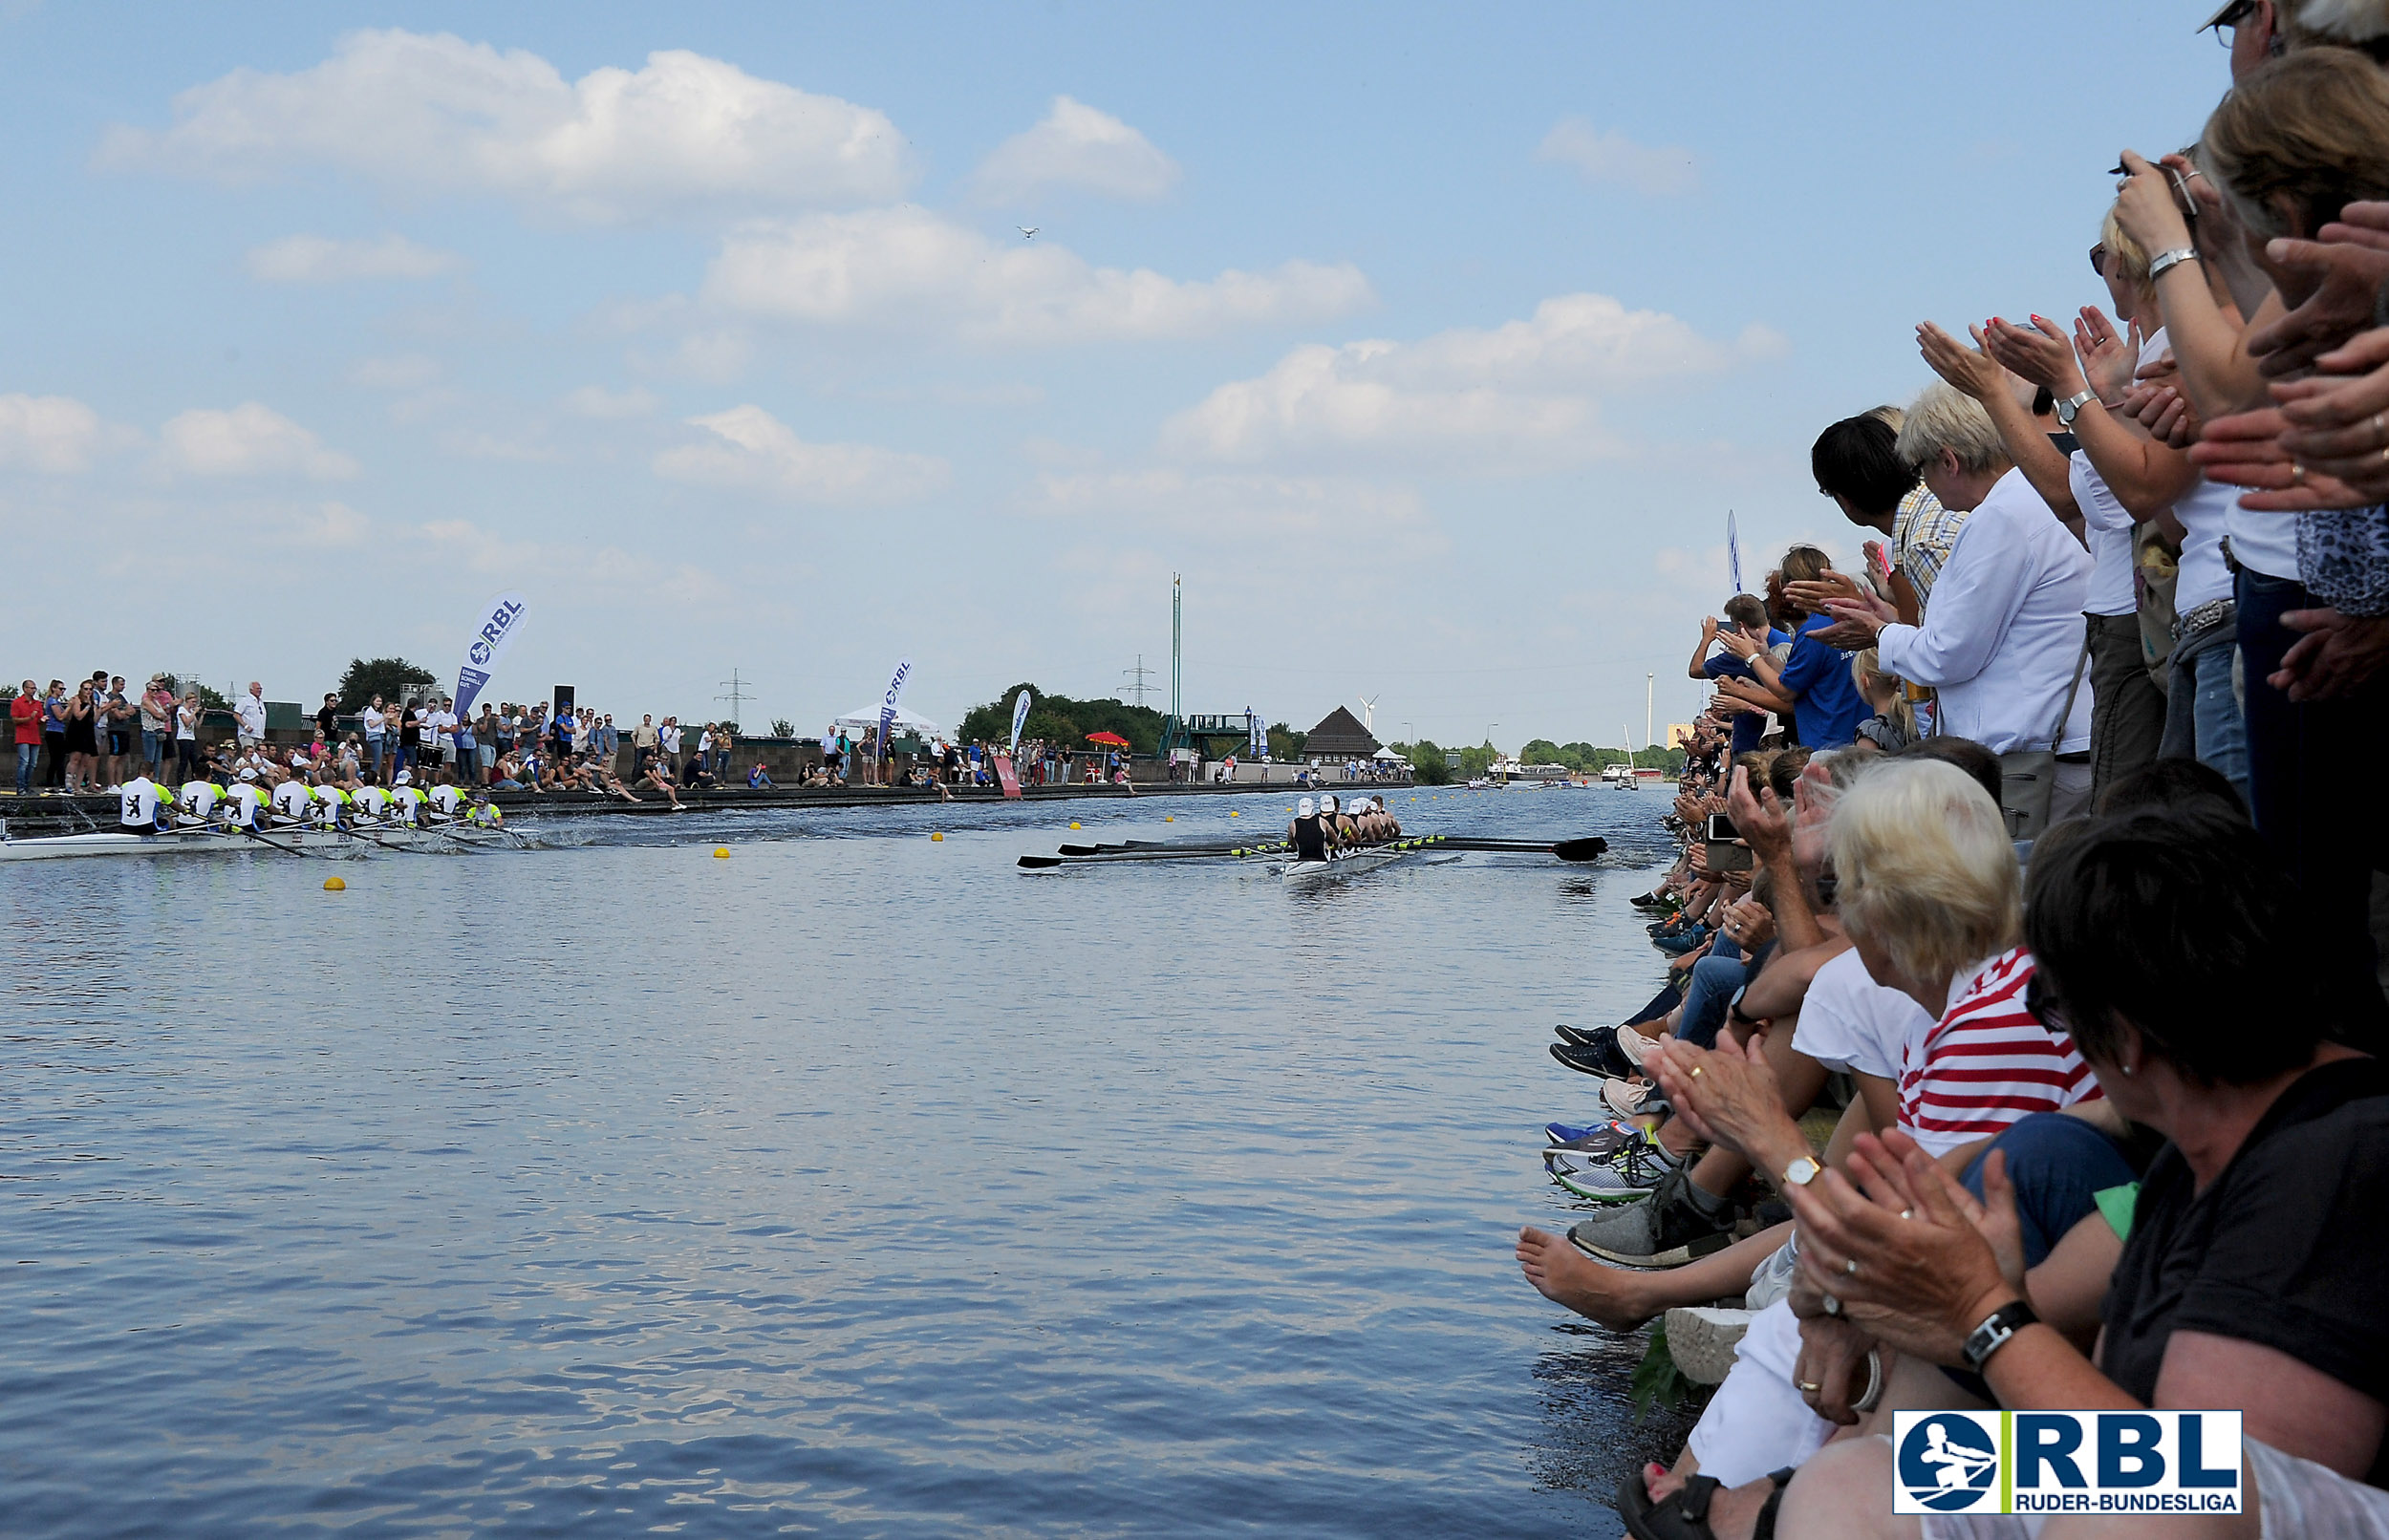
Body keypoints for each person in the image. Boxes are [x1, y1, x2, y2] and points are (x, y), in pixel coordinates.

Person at [1771, 805, 2389, 1539]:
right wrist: (1908, 1300)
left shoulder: (2336, 1160)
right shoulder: (2205, 1155)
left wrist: (1984, 1312)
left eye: (2054, 1008)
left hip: (2199, 1497)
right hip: (2163, 1481)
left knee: (2131, 1518)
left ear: (2124, 1038)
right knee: (1854, 1486)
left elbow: (2203, 1481)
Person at [1825, 384, 2096, 836]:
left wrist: (1879, 634)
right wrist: (1892, 622)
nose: (1921, 485)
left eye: (1922, 469)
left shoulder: (1999, 519)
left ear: (1949, 461)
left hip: (2031, 755)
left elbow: (1948, 654)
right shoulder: (2034, 499)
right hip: (2063, 744)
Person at [1714, 546, 1869, 750]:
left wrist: (1751, 657)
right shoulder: (1849, 617)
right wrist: (1766, 656)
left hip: (1829, 742)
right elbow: (1804, 676)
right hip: (1860, 737)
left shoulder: (1813, 631)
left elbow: (1786, 692)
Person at [11, 680, 40, 796]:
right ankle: (21, 787)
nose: (33, 690)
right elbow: (15, 720)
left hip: (35, 737)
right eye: (31, 688)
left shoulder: (37, 703)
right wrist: (29, 718)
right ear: (25, 689)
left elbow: (39, 718)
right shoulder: (17, 702)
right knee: (24, 762)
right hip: (23, 736)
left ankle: (27, 786)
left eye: (34, 688)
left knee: (32, 763)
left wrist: (42, 719)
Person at [234, 681, 267, 750]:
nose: (259, 690)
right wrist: (245, 726)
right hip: (247, 735)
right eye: (257, 688)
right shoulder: (245, 701)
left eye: (260, 689)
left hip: (259, 736)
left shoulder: (261, 702)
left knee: (258, 757)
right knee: (249, 753)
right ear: (251, 690)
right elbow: (236, 715)